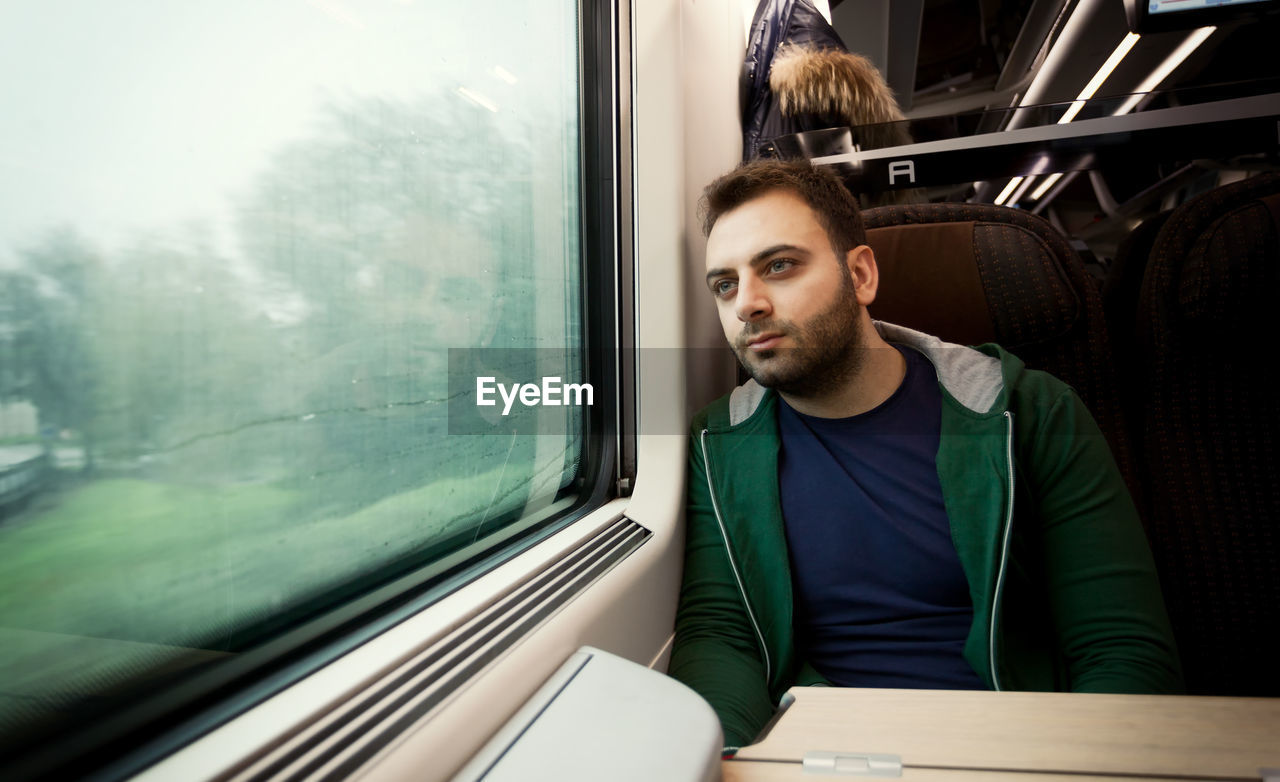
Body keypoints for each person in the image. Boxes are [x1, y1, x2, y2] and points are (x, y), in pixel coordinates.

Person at [668, 159, 1183, 750]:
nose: (746, 305)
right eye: (724, 284)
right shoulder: (721, 441)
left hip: (1013, 745)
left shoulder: (1030, 412)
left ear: (859, 275)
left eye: (779, 266)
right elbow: (721, 635)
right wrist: (722, 759)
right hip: (829, 750)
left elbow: (1119, 645)